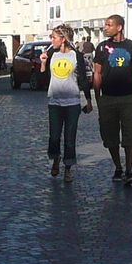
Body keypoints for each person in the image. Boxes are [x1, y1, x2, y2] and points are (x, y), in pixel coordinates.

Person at [38, 23, 94, 182]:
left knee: (70, 138)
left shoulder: (76, 55)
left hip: (72, 103)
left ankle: (67, 169)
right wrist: (43, 62)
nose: (51, 40)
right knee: (54, 137)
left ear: (63, 39)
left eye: (54, 37)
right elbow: (43, 79)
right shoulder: (51, 54)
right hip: (55, 103)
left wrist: (89, 100)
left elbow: (82, 78)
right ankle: (55, 159)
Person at [93, 14, 132, 186]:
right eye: (106, 25)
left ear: (119, 27)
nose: (106, 28)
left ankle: (129, 170)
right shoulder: (101, 48)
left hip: (127, 97)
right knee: (110, 134)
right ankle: (118, 167)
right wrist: (98, 96)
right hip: (108, 97)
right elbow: (97, 73)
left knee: (130, 134)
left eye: (109, 25)